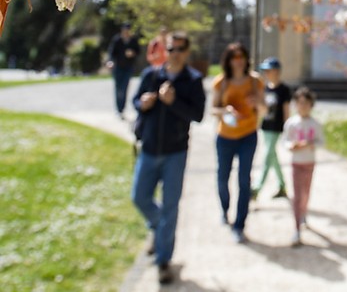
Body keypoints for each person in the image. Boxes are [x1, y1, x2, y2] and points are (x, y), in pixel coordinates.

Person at [131, 31, 206, 285]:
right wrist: (144, 103)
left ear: (187, 52)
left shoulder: (193, 81)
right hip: (150, 148)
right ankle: (159, 229)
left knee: (171, 207)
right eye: (171, 48)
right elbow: (135, 101)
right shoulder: (151, 75)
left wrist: (173, 102)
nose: (175, 53)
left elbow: (198, 115)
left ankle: (164, 261)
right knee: (139, 198)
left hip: (176, 151)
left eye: (180, 49)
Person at [212, 42, 265, 243]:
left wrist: (257, 104)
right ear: (228, 60)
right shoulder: (221, 82)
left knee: (244, 180)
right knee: (222, 177)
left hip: (248, 135)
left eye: (241, 56)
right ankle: (225, 209)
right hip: (225, 136)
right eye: (234, 57)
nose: (238, 61)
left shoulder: (255, 82)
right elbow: (213, 110)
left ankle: (240, 224)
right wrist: (225, 111)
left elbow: (264, 110)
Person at [284, 86, 325, 246]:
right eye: (300, 103)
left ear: (311, 105)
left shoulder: (315, 124)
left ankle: (304, 213)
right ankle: (296, 228)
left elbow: (321, 141)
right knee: (297, 195)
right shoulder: (291, 123)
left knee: (306, 193)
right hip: (296, 163)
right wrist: (292, 146)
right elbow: (285, 141)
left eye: (306, 103)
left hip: (309, 163)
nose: (303, 106)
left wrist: (310, 144)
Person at [252, 57, 292, 201]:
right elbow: (261, 110)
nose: (267, 73)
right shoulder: (264, 88)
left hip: (277, 127)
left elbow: (286, 110)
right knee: (272, 157)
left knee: (267, 157)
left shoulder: (284, 89)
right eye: (266, 71)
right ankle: (282, 185)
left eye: (269, 70)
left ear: (276, 71)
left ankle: (256, 188)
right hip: (265, 127)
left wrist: (288, 129)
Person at [107, 23, 141, 119]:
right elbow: (112, 52)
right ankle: (118, 109)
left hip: (128, 67)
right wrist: (110, 62)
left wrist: (132, 53)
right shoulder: (117, 40)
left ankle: (122, 109)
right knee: (118, 89)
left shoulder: (133, 40)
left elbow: (138, 51)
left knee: (124, 88)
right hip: (118, 67)